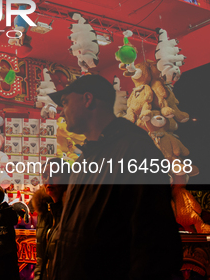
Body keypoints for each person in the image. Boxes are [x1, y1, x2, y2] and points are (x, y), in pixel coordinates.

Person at [48, 74, 182, 280]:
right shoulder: (85, 159)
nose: (61, 110)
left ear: (87, 99)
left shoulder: (135, 150)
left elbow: (154, 246)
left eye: (65, 102)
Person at [30, 158, 70, 280]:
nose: (49, 180)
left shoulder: (73, 212)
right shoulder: (44, 211)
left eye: (55, 174)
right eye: (45, 175)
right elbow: (40, 259)